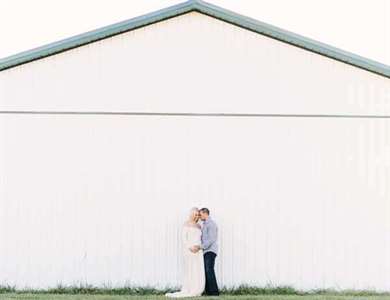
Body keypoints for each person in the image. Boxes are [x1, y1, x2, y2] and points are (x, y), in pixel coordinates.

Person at [165, 207, 205, 298]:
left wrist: (199, 247)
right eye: (195, 215)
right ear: (191, 214)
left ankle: (197, 288)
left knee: (197, 270)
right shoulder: (186, 224)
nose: (196, 216)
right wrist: (190, 247)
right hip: (189, 251)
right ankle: (190, 288)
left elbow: (200, 239)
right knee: (190, 270)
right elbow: (184, 238)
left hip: (198, 251)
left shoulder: (199, 226)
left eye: (197, 215)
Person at [191, 207, 219, 296]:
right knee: (206, 271)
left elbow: (211, 240)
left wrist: (200, 247)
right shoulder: (205, 224)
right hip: (205, 251)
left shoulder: (211, 224)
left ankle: (214, 292)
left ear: (205, 213)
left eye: (200, 214)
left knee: (209, 270)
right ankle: (209, 291)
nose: (199, 216)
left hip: (210, 251)